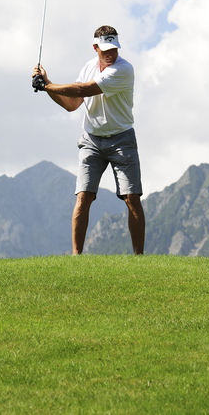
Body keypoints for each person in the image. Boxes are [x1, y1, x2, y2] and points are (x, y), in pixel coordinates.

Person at [32, 25, 145, 255]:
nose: (111, 54)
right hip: (91, 141)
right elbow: (72, 104)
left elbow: (85, 89)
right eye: (105, 50)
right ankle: (76, 256)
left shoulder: (124, 70)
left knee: (132, 197)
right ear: (95, 47)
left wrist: (48, 85)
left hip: (122, 140)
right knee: (83, 196)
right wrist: (47, 87)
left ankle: (139, 257)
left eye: (114, 49)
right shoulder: (88, 67)